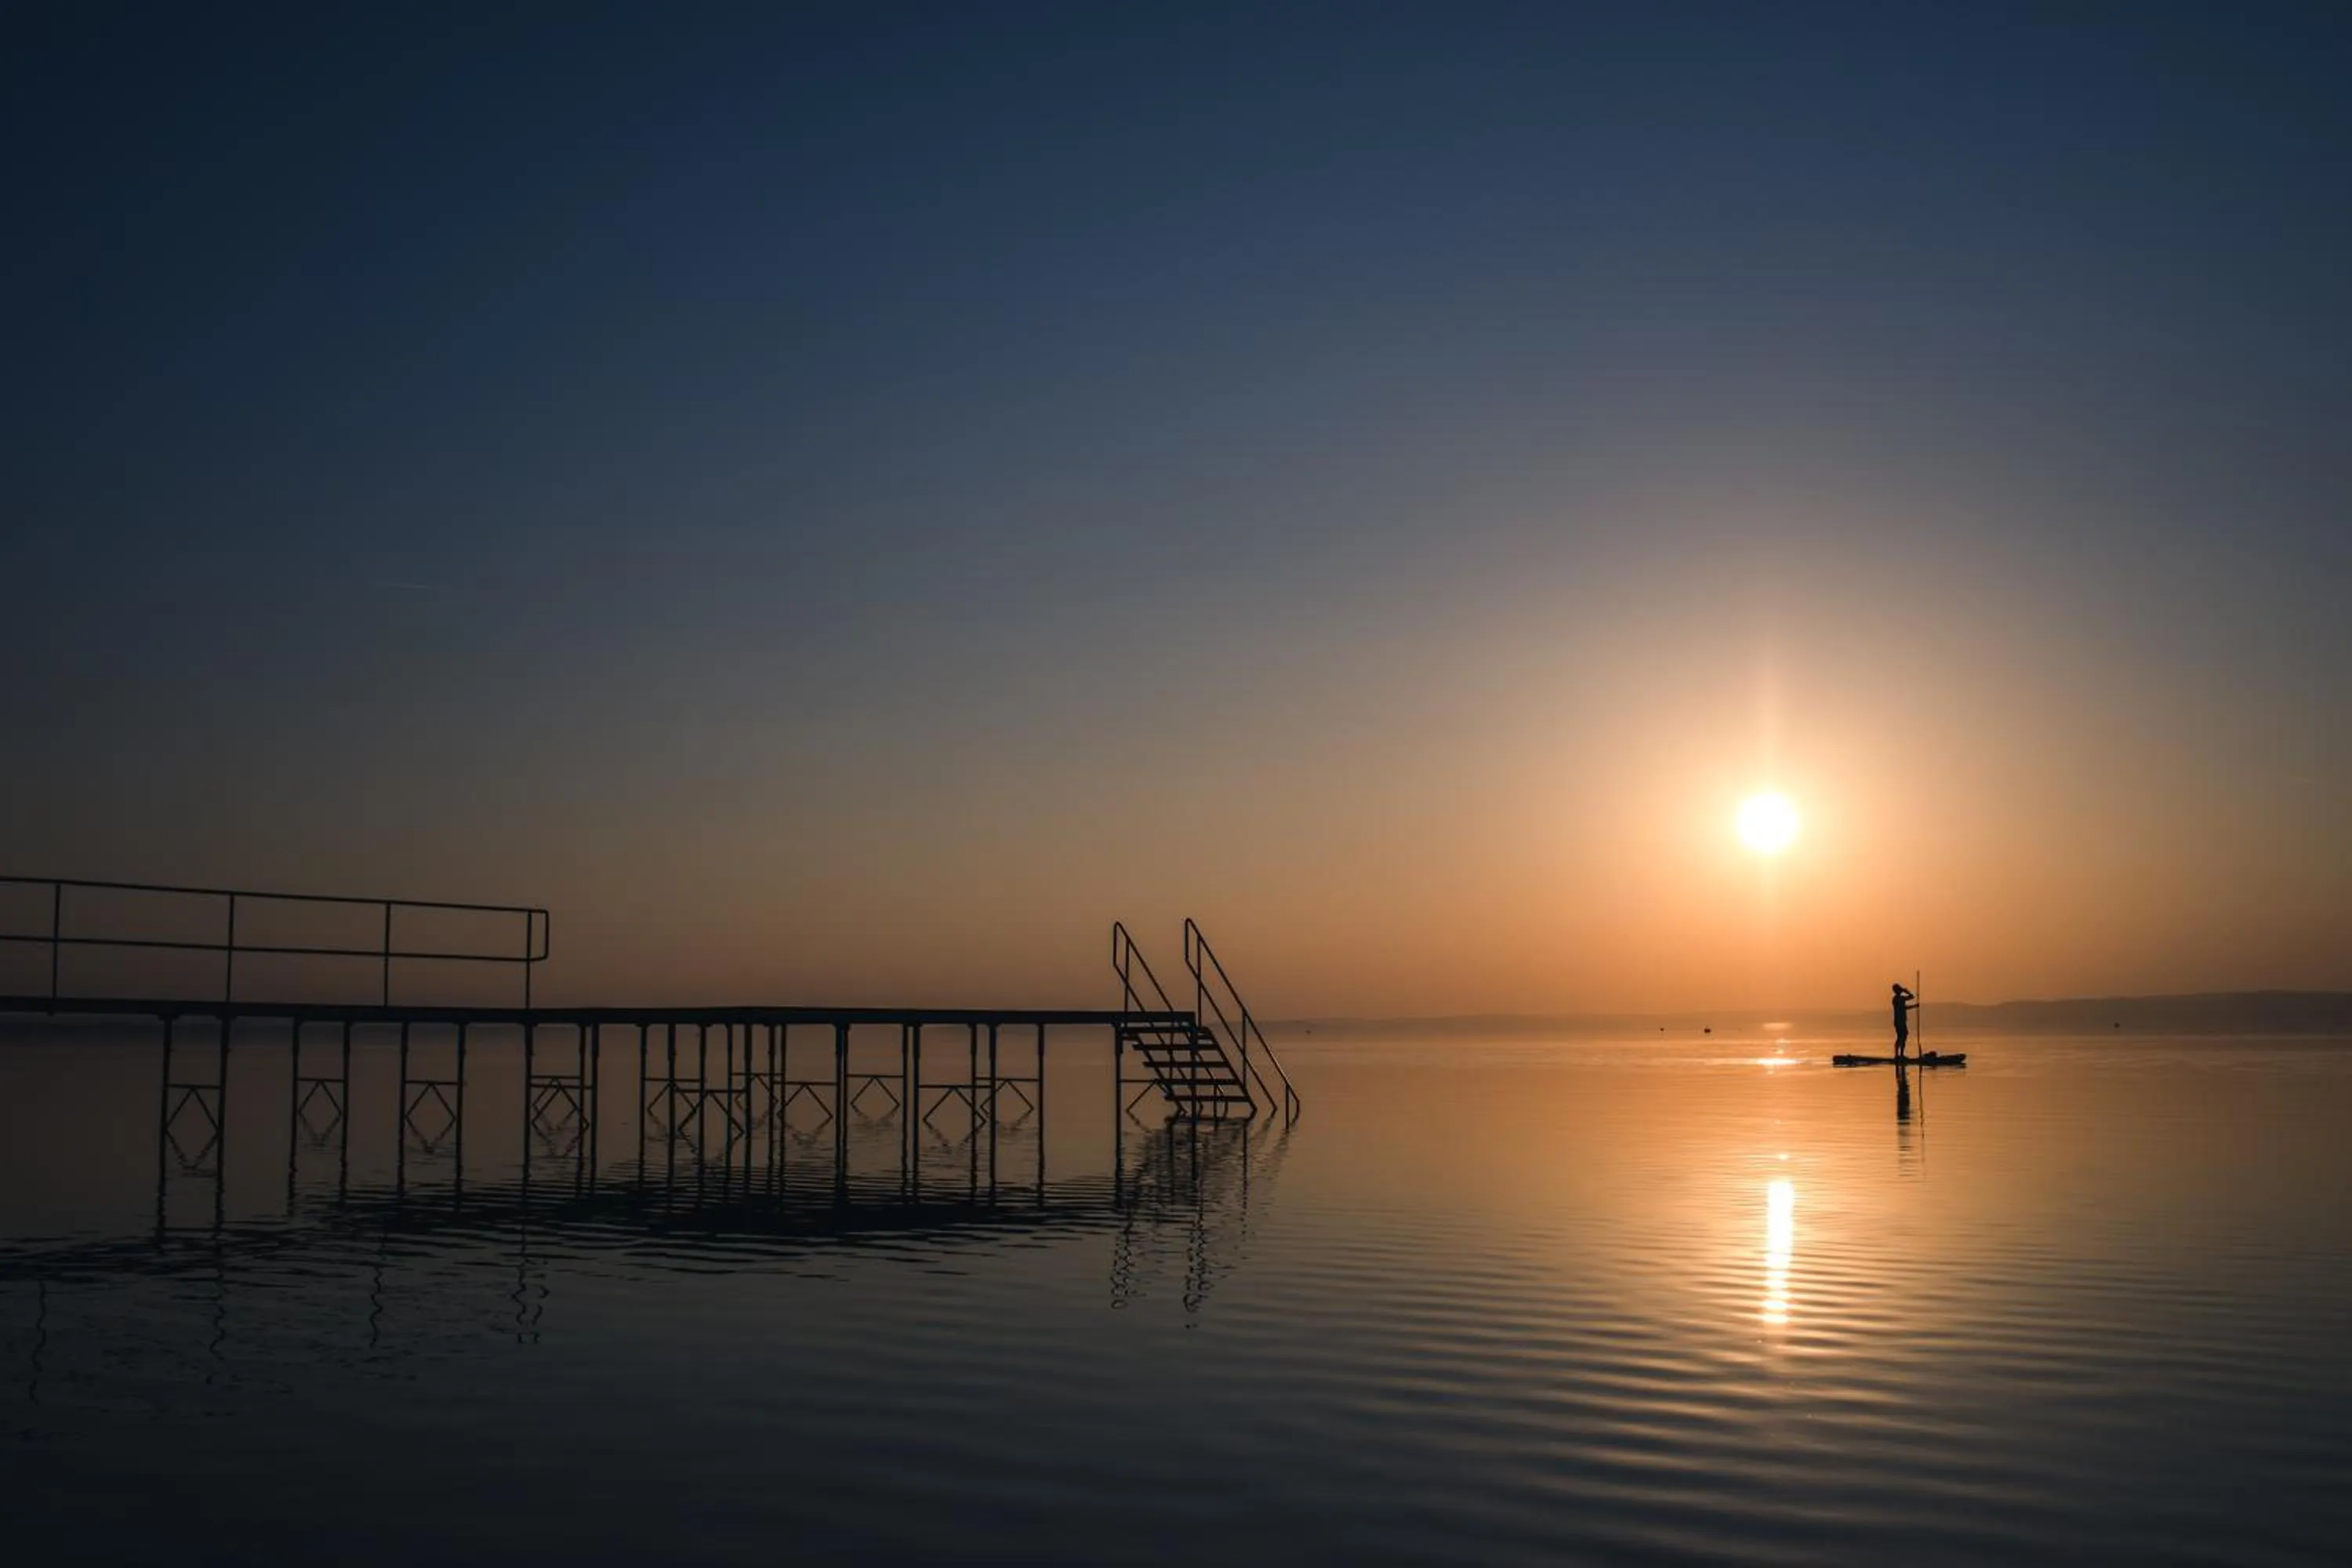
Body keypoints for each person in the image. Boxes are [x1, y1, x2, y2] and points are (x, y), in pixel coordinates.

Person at [1890, 982, 1918, 1057]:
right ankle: (1897, 1055)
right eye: (1899, 989)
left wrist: (1906, 991)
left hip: (1902, 1020)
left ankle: (1901, 1054)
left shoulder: (1901, 998)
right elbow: (1904, 1007)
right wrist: (1914, 1006)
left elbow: (1912, 997)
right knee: (1900, 1036)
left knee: (1904, 1035)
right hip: (1899, 1021)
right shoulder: (1896, 999)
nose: (1900, 991)